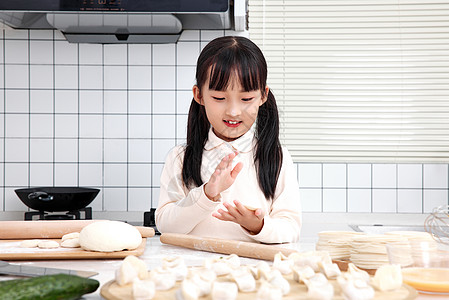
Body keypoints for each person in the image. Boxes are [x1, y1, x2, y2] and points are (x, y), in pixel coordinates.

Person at [155, 36, 301, 243]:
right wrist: (206, 194)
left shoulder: (277, 158)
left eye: (246, 99)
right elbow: (165, 225)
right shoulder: (180, 158)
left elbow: (291, 228)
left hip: (254, 273)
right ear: (199, 95)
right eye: (219, 98)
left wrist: (257, 225)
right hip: (194, 271)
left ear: (263, 96)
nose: (233, 111)